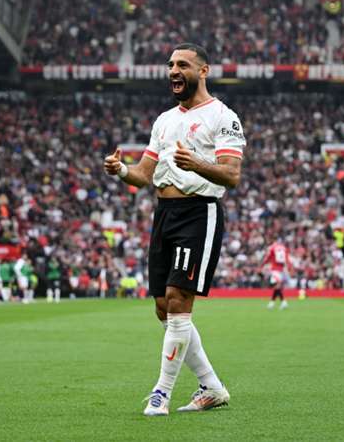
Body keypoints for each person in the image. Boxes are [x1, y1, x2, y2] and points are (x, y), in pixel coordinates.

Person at [104, 43, 245, 416]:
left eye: (182, 64)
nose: (173, 70)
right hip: (164, 213)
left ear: (203, 71)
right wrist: (120, 170)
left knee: (179, 304)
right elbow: (143, 176)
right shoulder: (164, 120)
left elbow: (232, 175)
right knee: (164, 309)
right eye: (170, 65)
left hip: (199, 212)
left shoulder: (223, 117)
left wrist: (196, 164)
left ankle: (161, 393)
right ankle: (211, 386)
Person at [261, 236, 294, 310]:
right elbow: (287, 259)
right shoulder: (283, 248)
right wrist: (290, 267)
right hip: (282, 269)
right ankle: (273, 303)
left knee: (276, 286)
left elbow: (267, 257)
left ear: (273, 240)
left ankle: (282, 302)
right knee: (277, 286)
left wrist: (262, 265)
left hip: (275, 269)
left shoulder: (272, 247)